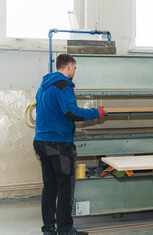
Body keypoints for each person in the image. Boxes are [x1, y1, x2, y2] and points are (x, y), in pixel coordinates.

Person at [33, 54, 108, 235]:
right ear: (69, 66)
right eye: (74, 68)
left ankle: (49, 229)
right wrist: (96, 112)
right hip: (58, 144)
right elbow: (71, 113)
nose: (74, 72)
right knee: (64, 187)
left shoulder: (43, 86)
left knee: (49, 186)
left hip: (41, 142)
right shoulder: (64, 85)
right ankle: (65, 230)